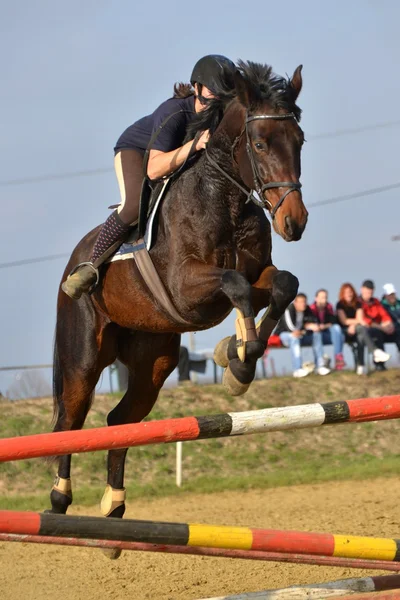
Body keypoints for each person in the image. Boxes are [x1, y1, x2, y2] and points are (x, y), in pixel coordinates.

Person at [62, 55, 236, 300]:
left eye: (224, 93)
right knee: (134, 206)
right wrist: (195, 144)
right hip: (138, 152)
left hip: (177, 155)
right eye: (213, 91)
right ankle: (90, 266)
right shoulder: (174, 112)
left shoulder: (220, 114)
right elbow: (154, 169)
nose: (218, 98)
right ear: (196, 87)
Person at [336, 283, 389, 375]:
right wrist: (355, 324)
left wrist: (354, 324)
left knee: (360, 336)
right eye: (346, 292)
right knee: (361, 329)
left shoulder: (358, 303)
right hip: (345, 331)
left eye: (350, 292)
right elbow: (344, 321)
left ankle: (361, 366)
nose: (349, 294)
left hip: (357, 330)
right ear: (342, 294)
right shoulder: (340, 304)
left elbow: (360, 319)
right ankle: (375, 352)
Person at [275, 293, 331, 378]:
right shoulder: (289, 309)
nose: (303, 304)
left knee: (317, 335)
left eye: (304, 301)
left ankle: (320, 366)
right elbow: (292, 329)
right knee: (294, 338)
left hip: (301, 335)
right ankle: (297, 369)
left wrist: (310, 327)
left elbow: (314, 323)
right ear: (295, 303)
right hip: (285, 335)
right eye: (300, 302)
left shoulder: (307, 309)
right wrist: (306, 328)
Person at [359, 280, 393, 371]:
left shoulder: (376, 302)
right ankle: (377, 360)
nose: (369, 294)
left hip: (379, 328)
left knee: (391, 332)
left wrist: (389, 324)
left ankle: (380, 364)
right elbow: (364, 319)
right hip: (366, 329)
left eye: (371, 291)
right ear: (362, 289)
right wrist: (381, 327)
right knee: (377, 332)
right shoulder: (358, 303)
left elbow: (384, 315)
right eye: (367, 291)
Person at [309, 289, 345, 370]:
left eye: (325, 297)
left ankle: (338, 357)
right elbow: (309, 323)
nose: (324, 300)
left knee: (337, 329)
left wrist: (323, 326)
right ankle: (320, 363)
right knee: (317, 334)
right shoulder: (311, 309)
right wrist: (317, 327)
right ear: (316, 298)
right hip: (315, 334)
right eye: (321, 297)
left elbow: (332, 321)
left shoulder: (329, 307)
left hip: (327, 332)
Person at [381, 283, 400, 352]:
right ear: (386, 296)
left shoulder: (398, 303)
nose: (392, 296)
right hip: (388, 330)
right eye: (390, 295)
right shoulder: (382, 306)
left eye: (393, 294)